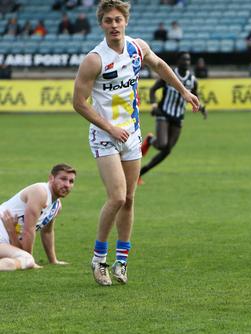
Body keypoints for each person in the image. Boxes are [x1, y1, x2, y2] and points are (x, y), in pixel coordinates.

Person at [72, 0, 200, 286]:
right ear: (101, 24)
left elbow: (160, 66)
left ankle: (122, 261)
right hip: (105, 135)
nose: (114, 25)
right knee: (116, 197)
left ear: (126, 21)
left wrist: (183, 91)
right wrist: (109, 127)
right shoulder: (94, 59)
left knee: (130, 198)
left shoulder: (137, 48)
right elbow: (78, 103)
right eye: (108, 21)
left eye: (118, 20)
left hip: (132, 134)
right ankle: (98, 259)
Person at [140, 52, 207, 184]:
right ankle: (150, 139)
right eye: (184, 59)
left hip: (178, 117)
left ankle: (141, 172)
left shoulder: (192, 80)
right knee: (162, 144)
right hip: (163, 113)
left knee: (167, 150)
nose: (186, 62)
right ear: (179, 61)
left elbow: (195, 97)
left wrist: (202, 109)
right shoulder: (169, 75)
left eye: (188, 60)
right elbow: (153, 90)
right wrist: (154, 106)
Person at [0, 164, 76, 272]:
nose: (67, 185)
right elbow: (28, 230)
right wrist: (30, 260)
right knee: (25, 259)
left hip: (6, 239)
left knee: (21, 258)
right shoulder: (40, 192)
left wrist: (53, 260)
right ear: (51, 178)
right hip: (2, 233)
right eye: (63, 179)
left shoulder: (57, 206)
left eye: (71, 181)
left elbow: (47, 232)